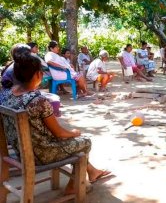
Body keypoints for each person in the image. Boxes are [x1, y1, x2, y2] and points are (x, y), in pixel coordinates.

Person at [0, 46, 110, 195]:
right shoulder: (38, 100)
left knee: (73, 143)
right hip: (41, 154)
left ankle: (92, 171)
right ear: (38, 75)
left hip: (19, 151)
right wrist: (74, 133)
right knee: (84, 142)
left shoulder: (6, 96)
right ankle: (72, 187)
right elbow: (59, 133)